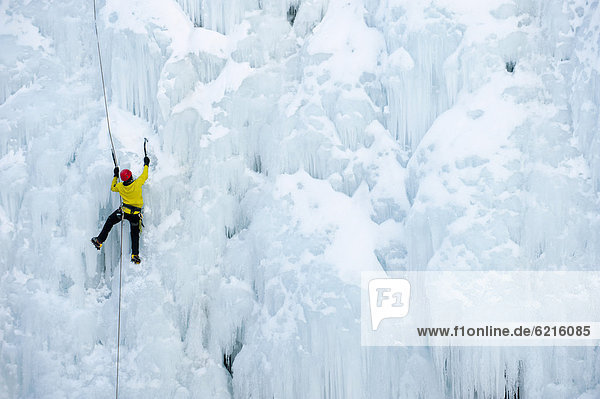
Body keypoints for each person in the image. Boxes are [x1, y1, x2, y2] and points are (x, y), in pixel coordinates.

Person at [91, 156, 150, 263]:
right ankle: (135, 255)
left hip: (123, 212)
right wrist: (146, 164)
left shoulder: (120, 186)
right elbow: (145, 175)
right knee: (134, 234)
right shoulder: (137, 183)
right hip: (135, 215)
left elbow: (113, 187)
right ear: (131, 176)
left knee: (110, 221)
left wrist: (115, 175)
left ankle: (99, 240)